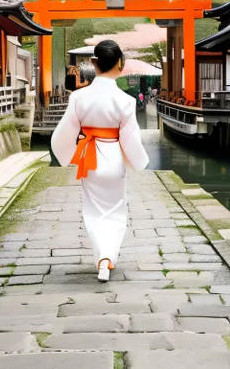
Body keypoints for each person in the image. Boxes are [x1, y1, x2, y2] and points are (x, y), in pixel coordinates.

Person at [50, 40, 149, 282]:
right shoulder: (126, 100)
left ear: (94, 64)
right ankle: (108, 257)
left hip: (90, 158)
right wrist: (140, 161)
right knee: (115, 209)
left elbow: (65, 132)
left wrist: (64, 154)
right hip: (113, 157)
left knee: (93, 210)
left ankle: (102, 258)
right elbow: (131, 138)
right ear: (119, 64)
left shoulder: (79, 97)